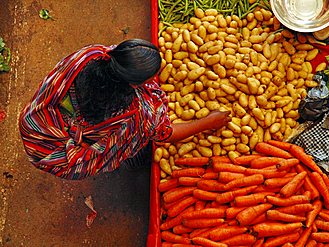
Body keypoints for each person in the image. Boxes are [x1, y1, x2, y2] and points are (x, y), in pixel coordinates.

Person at [19, 38, 231, 180]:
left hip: (38, 129)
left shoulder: (90, 55)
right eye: (151, 77)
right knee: (135, 140)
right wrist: (209, 122)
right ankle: (132, 158)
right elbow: (166, 134)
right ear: (134, 84)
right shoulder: (138, 114)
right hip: (63, 153)